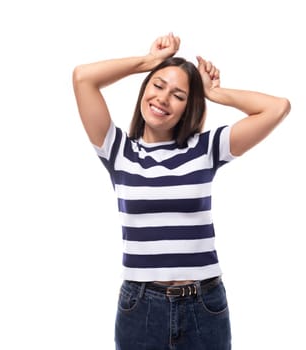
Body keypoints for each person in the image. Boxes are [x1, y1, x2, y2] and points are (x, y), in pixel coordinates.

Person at [72, 32, 290, 350]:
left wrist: (215, 92)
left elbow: (277, 108)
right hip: (140, 307)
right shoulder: (118, 150)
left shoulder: (205, 148)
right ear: (144, 90)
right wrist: (148, 62)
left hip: (204, 305)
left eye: (178, 94)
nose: (163, 99)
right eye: (158, 85)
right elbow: (82, 78)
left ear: (189, 105)